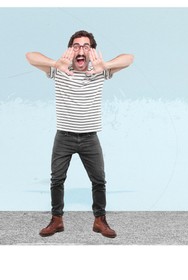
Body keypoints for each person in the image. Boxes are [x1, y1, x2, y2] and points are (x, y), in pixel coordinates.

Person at [26, 30, 134, 238]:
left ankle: (99, 221)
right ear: (70, 50)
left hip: (89, 138)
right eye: (76, 46)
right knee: (56, 180)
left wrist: (105, 66)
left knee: (99, 181)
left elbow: (129, 58)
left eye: (86, 46)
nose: (81, 50)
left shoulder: (99, 71)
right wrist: (56, 64)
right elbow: (30, 56)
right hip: (64, 137)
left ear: (92, 51)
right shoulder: (60, 70)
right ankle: (56, 220)